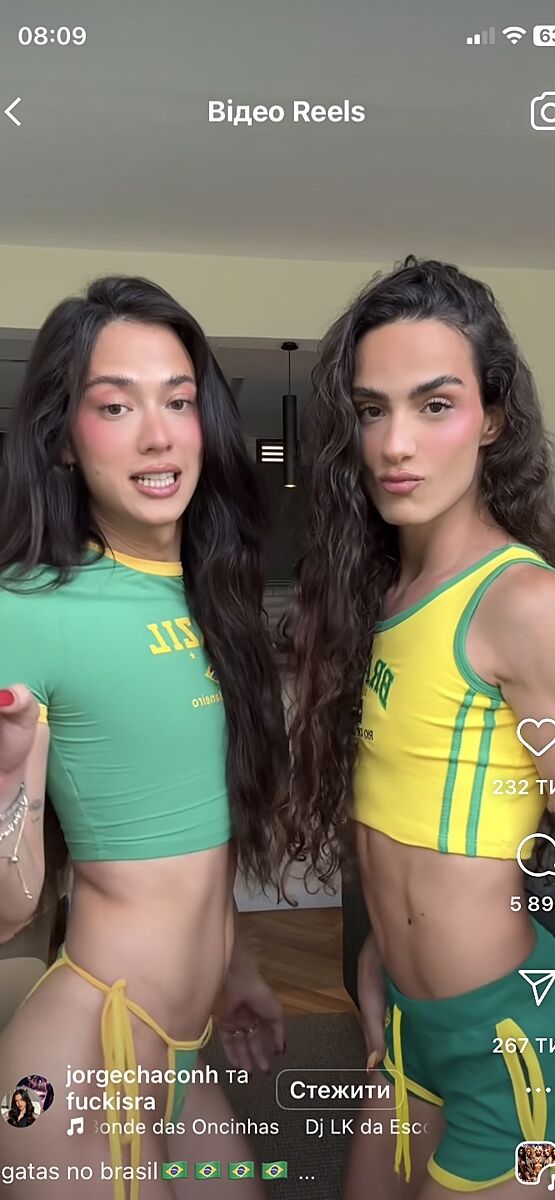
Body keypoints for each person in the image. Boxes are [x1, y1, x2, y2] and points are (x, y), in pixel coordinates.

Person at [0, 276, 289, 1199]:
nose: (157, 436)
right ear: (63, 436)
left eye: (178, 401)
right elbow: (6, 909)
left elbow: (199, 836)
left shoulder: (217, 596)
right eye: (116, 406)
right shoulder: (25, 610)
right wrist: (9, 786)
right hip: (84, 1054)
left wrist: (236, 968)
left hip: (182, 1046)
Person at [285, 257, 555, 1198]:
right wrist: (378, 954)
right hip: (406, 1023)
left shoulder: (521, 602)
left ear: (493, 417)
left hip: (505, 1036)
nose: (394, 444)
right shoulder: (384, 597)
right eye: (372, 409)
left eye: (434, 405)